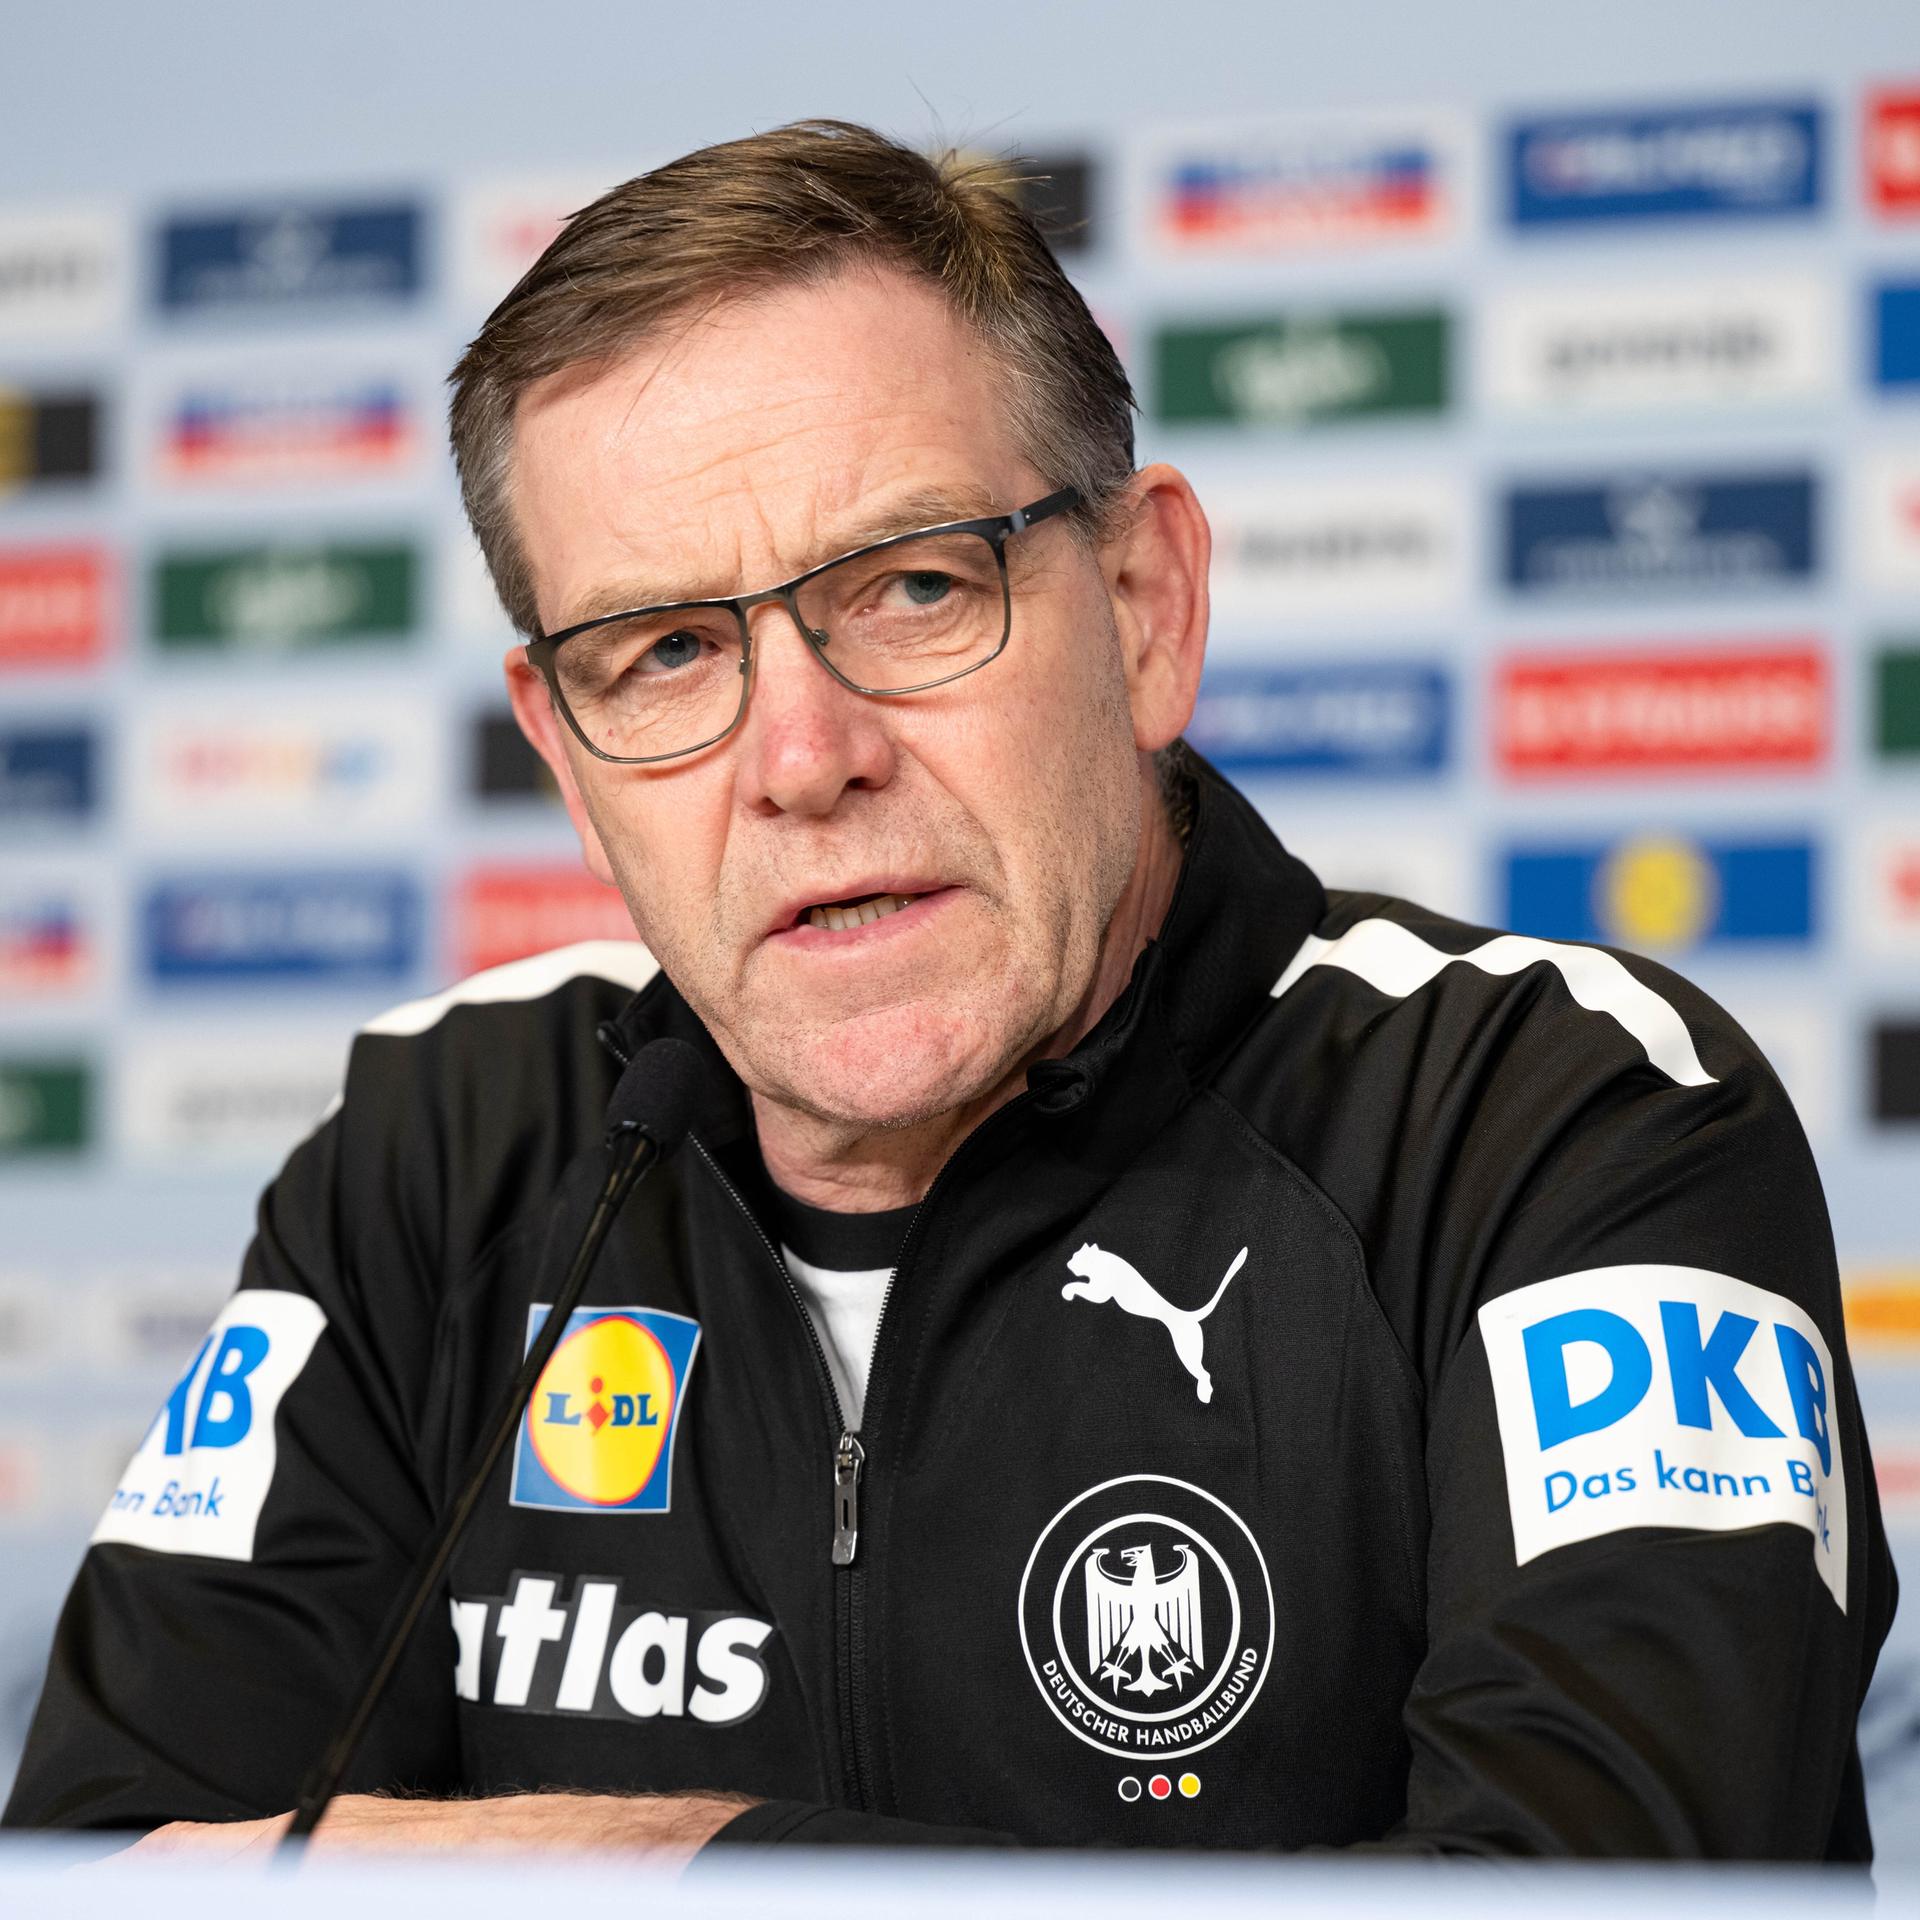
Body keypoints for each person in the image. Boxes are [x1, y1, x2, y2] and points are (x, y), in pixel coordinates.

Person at [3, 120, 1895, 1863]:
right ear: (567, 762)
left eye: (913, 586)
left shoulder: (1554, 1123)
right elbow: (122, 1881)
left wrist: (667, 1871)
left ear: (1147, 609)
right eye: (661, 651)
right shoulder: (437, 1151)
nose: (803, 755)